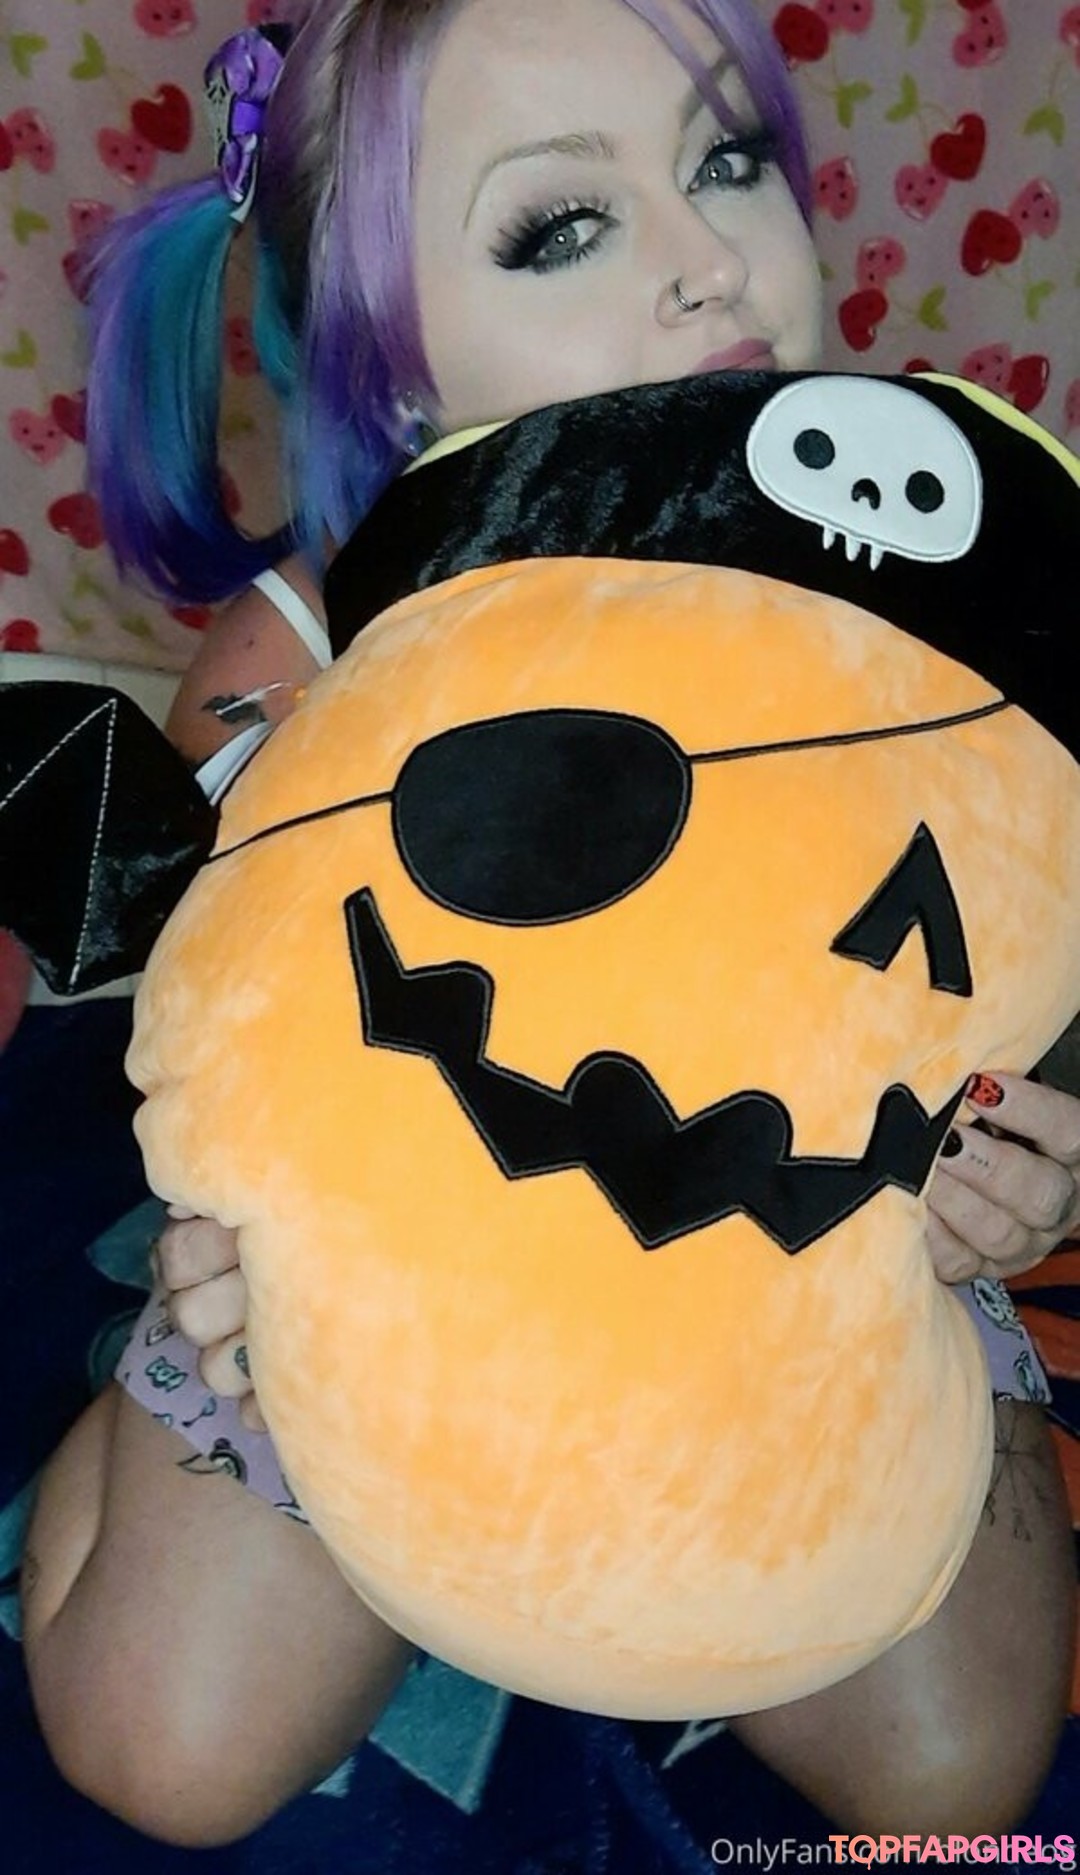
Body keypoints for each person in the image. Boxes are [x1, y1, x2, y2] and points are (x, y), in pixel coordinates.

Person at [19, 0, 1080, 1847]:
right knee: (159, 1752)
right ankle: (148, 1382)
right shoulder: (305, 644)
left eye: (725, 159)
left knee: (954, 1781)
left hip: (791, 1238)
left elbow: (1011, 949)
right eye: (561, 226)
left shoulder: (925, 554)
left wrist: (1020, 1175)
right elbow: (209, 1018)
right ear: (396, 370)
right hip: (399, 1261)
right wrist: (222, 1273)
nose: (707, 262)